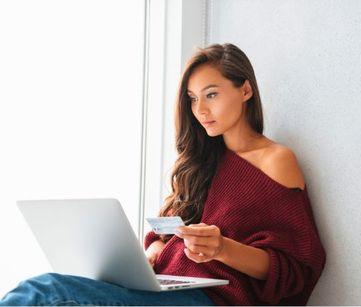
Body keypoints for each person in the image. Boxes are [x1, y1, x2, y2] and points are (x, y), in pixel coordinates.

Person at [0, 43, 326, 306]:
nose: (200, 110)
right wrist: (154, 248)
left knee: (45, 292)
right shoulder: (203, 162)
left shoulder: (276, 160)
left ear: (245, 91)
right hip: (164, 290)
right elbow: (168, 225)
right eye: (193, 99)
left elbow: (297, 267)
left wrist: (222, 248)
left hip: (211, 300)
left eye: (211, 94)